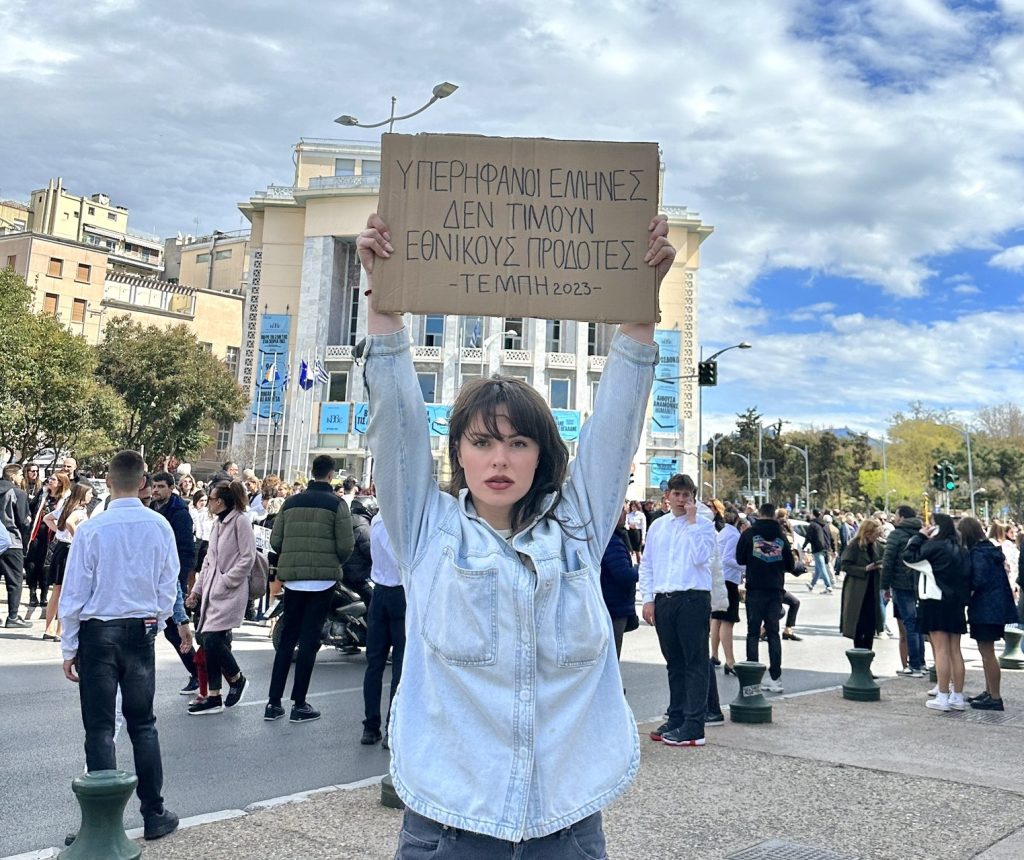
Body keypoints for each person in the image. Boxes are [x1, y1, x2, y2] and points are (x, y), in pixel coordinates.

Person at [358, 211, 674, 852]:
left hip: (566, 822)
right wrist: (381, 299)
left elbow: (616, 424)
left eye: (518, 442)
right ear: (459, 455)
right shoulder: (428, 531)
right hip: (449, 822)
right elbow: (396, 418)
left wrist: (639, 310)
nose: (499, 460)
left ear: (543, 455)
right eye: (482, 443)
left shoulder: (578, 532)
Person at [57, 450, 180, 841]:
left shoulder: (94, 529)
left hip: (99, 631)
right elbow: (168, 582)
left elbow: (74, 591)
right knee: (143, 725)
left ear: (108, 482)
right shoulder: (160, 526)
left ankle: (102, 823)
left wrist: (69, 645)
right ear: (143, 482)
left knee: (99, 728)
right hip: (140, 629)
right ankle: (154, 812)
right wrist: (156, 622)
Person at [265, 455, 354, 724]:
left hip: (293, 581)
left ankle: (272, 703)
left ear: (312, 473)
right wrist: (332, 561)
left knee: (287, 640)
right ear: (330, 475)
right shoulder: (338, 504)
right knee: (309, 641)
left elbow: (276, 540)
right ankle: (299, 703)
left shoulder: (290, 503)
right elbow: (346, 545)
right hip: (323, 582)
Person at [640, 473, 718, 745]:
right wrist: (648, 598)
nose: (682, 499)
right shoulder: (658, 526)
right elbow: (647, 563)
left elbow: (701, 557)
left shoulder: (704, 525)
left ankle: (694, 725)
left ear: (693, 498)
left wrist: (694, 521)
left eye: (687, 495)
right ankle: (676, 717)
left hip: (692, 598)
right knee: (674, 663)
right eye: (677, 494)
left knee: (695, 662)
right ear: (668, 496)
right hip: (665, 599)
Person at [185, 481, 254, 715]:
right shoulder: (217, 524)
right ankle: (214, 695)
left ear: (221, 501)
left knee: (212, 639)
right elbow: (208, 561)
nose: (209, 503)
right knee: (209, 641)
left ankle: (236, 679)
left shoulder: (240, 521)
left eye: (211, 499)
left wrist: (226, 580)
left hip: (229, 592)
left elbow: (248, 558)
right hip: (212, 591)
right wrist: (197, 591)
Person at [903, 514, 969, 712]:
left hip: (934, 600)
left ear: (936, 527)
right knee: (955, 650)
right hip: (956, 602)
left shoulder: (933, 547)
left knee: (940, 649)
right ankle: (957, 696)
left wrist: (920, 536)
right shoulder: (961, 549)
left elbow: (908, 558)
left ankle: (942, 696)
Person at [736, 502, 795, 692]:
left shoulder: (749, 534)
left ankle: (753, 677)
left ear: (759, 514)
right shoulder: (782, 536)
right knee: (773, 633)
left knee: (753, 633)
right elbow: (790, 564)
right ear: (774, 515)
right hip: (776, 589)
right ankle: (775, 677)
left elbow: (739, 559)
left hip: (755, 588)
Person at [960, 517, 1017, 711]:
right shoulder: (990, 550)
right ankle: (989, 691)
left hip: (985, 609)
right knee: (987, 652)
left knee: (988, 653)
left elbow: (977, 580)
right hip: (995, 607)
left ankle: (995, 696)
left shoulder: (978, 553)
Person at [151, 472, 200, 696]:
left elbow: (185, 548)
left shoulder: (179, 513)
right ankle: (199, 672)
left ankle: (201, 672)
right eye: (154, 486)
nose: (156, 490)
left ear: (171, 488)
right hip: (157, 574)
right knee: (171, 630)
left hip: (173, 573)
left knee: (176, 628)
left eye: (161, 486)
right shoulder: (154, 509)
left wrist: (180, 575)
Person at [361, 515, 406, 748]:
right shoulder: (405, 522)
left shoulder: (377, 520)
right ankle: (392, 728)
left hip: (379, 593)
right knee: (399, 664)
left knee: (374, 664)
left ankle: (370, 727)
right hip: (402, 592)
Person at [43, 481, 93, 640]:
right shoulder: (79, 511)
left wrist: (59, 531)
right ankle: (60, 630)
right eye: (89, 493)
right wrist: (77, 535)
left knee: (56, 590)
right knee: (67, 591)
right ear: (82, 494)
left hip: (60, 548)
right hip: (70, 549)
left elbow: (47, 518)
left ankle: (48, 629)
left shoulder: (65, 506)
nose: (91, 496)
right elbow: (71, 522)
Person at [881, 505, 926, 677]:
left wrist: (884, 586)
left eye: (896, 515)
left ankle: (914, 665)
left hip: (901, 583)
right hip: (919, 583)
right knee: (918, 624)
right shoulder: (922, 534)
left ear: (902, 517)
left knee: (910, 624)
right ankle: (921, 663)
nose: (894, 518)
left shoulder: (897, 534)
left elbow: (888, 561)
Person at [599, 505, 640, 661]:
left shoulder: (608, 538)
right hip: (614, 607)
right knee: (611, 658)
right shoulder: (612, 542)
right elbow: (623, 575)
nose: (625, 514)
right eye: (622, 510)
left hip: (611, 605)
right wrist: (639, 570)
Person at [839, 519, 885, 650]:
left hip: (872, 588)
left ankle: (867, 655)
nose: (877, 537)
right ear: (867, 533)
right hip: (857, 589)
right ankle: (858, 655)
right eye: (875, 534)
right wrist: (864, 569)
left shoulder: (878, 546)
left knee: (870, 624)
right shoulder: (854, 546)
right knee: (858, 623)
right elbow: (845, 566)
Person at [711, 506, 743, 673]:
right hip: (729, 579)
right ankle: (730, 661)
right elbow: (728, 558)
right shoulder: (734, 535)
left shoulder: (722, 532)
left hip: (718, 578)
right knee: (727, 621)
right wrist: (744, 567)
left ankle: (714, 654)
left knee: (716, 618)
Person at [1, 463, 32, 627]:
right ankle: (13, 616)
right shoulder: (18, 493)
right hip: (12, 541)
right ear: (13, 476)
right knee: (14, 580)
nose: (22, 478)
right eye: (20, 475)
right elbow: (23, 521)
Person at [803, 509, 834, 594]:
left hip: (817, 548)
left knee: (822, 568)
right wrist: (832, 548)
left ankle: (828, 586)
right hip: (825, 548)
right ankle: (812, 585)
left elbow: (808, 537)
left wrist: (804, 546)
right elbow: (830, 537)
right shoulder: (826, 525)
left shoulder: (813, 525)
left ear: (813, 515)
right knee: (818, 569)